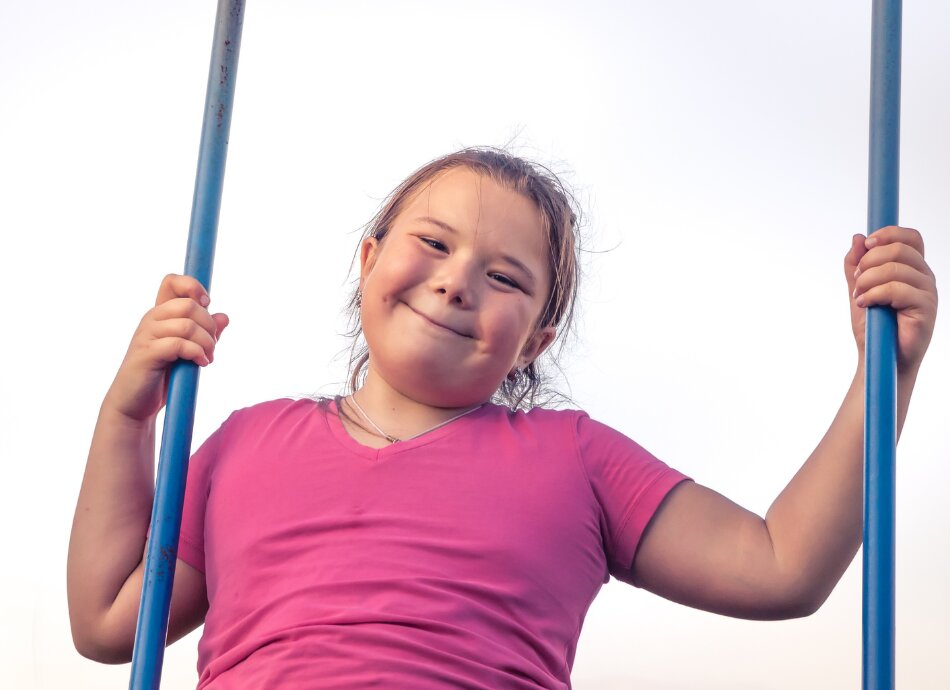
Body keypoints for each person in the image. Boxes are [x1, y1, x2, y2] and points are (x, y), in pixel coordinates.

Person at [67, 148, 938, 689]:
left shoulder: (577, 460)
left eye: (507, 277)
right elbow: (110, 620)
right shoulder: (247, 442)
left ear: (536, 339)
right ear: (369, 258)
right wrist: (130, 412)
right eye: (434, 243)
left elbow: (782, 567)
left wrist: (883, 373)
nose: (457, 281)